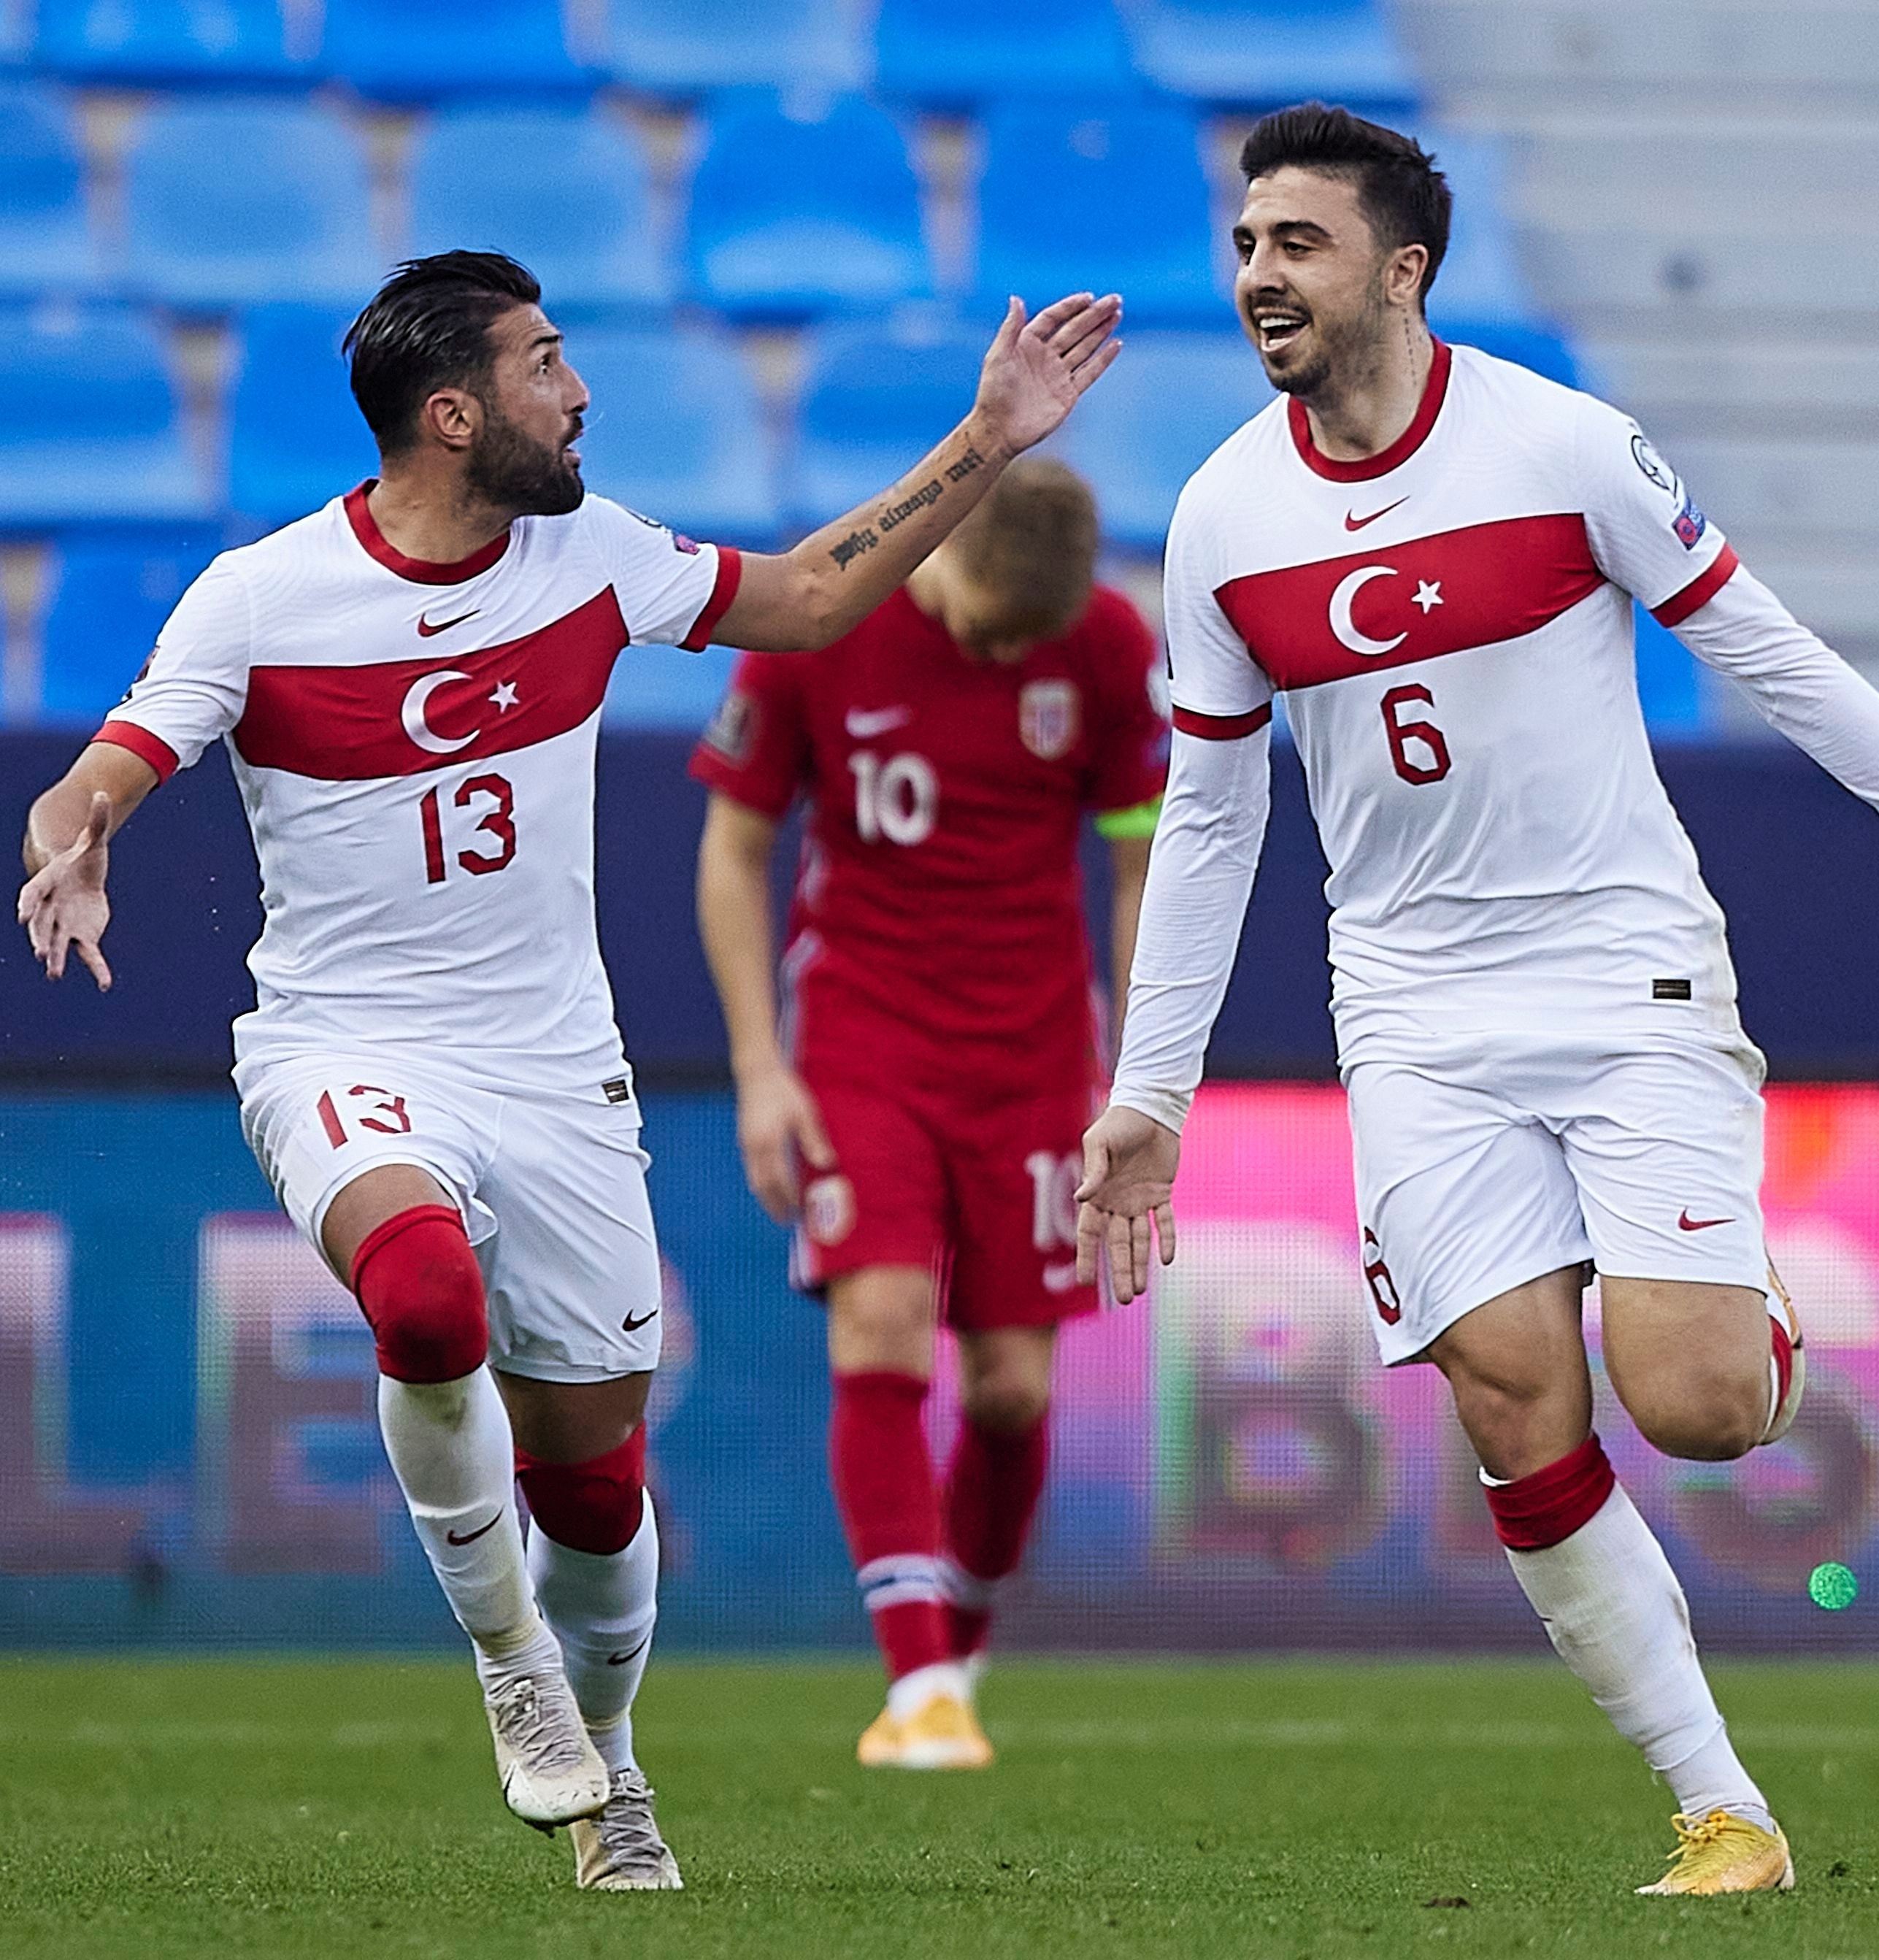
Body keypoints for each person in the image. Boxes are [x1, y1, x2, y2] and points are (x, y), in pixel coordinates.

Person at [18, 251, 1120, 1888]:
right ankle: (508, 1666)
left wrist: (988, 442)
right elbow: (103, 769)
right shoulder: (259, 595)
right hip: (343, 1046)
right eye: (547, 363)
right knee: (425, 1302)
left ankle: (610, 1764)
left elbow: (810, 598)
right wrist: (76, 841)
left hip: (554, 1078)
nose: (581, 389)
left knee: (599, 1493)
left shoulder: (592, 556)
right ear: (453, 416)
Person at [1077, 101, 1879, 1897]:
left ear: (1401, 268)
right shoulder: (1221, 515)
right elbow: (1212, 812)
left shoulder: (1561, 447)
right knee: (1506, 1395)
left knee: (1696, 1403)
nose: (1259, 274)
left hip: (1621, 970)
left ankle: (1744, 1313)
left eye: (1298, 243)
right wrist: (1149, 1089)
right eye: (1247, 243)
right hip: (1408, 1010)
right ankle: (1721, 1809)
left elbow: (1768, 649)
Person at [693, 457, 1167, 1768]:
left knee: (1013, 1390)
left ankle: (951, 1648)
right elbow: (735, 853)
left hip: (1031, 1052)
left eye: (1027, 638)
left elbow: (1141, 872)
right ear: (939, 543)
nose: (1000, 649)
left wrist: (1145, 1071)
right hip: (863, 1031)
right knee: (885, 1321)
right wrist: (756, 1064)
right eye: (980, 620)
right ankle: (917, 1687)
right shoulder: (824, 615)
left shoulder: (1114, 647)